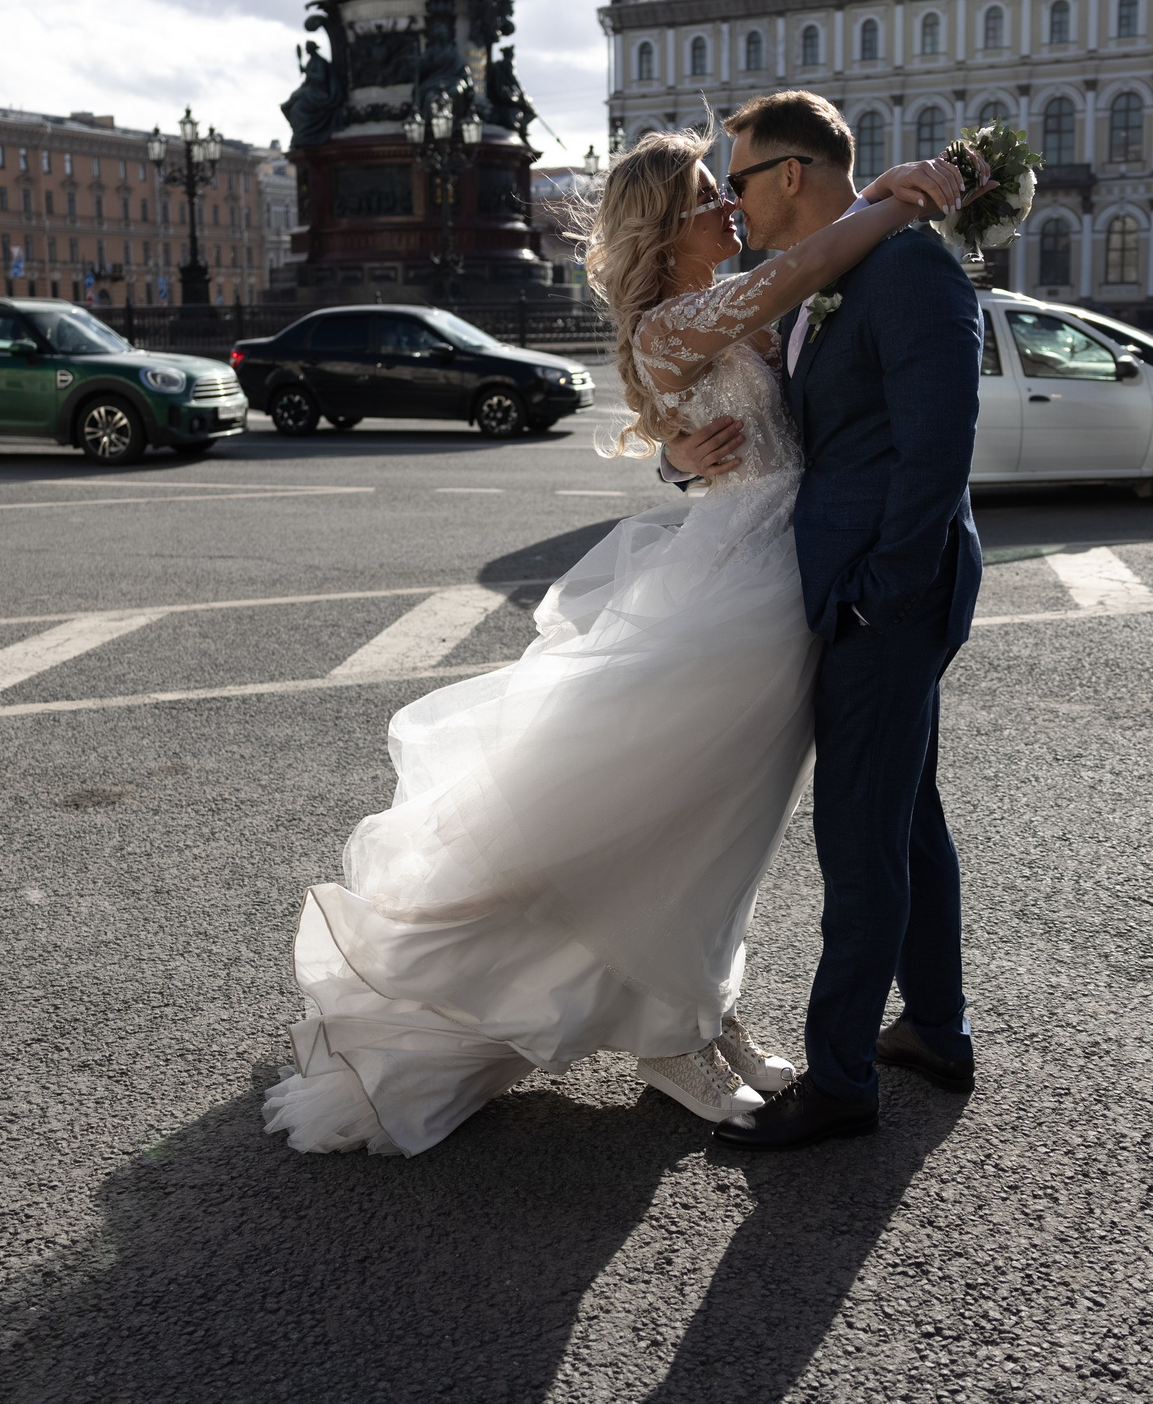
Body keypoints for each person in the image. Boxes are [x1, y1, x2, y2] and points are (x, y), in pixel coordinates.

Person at [261, 126, 969, 1156]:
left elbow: (785, 379)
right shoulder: (679, 319)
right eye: (705, 196)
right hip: (739, 592)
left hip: (779, 579)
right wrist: (899, 198)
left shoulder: (738, 302)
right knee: (681, 824)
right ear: (663, 225)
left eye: (730, 189)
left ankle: (698, 1011)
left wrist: (684, 461)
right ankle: (666, 1031)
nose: (730, 207)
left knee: (724, 825)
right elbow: (809, 266)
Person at [660, 91, 986, 1151]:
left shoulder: (913, 270)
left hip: (881, 595)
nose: (734, 201)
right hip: (843, 585)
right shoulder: (818, 288)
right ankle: (933, 1026)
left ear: (791, 173)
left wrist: (880, 593)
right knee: (905, 817)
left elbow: (937, 455)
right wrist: (679, 458)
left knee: (858, 836)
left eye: (740, 178)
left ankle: (841, 1078)